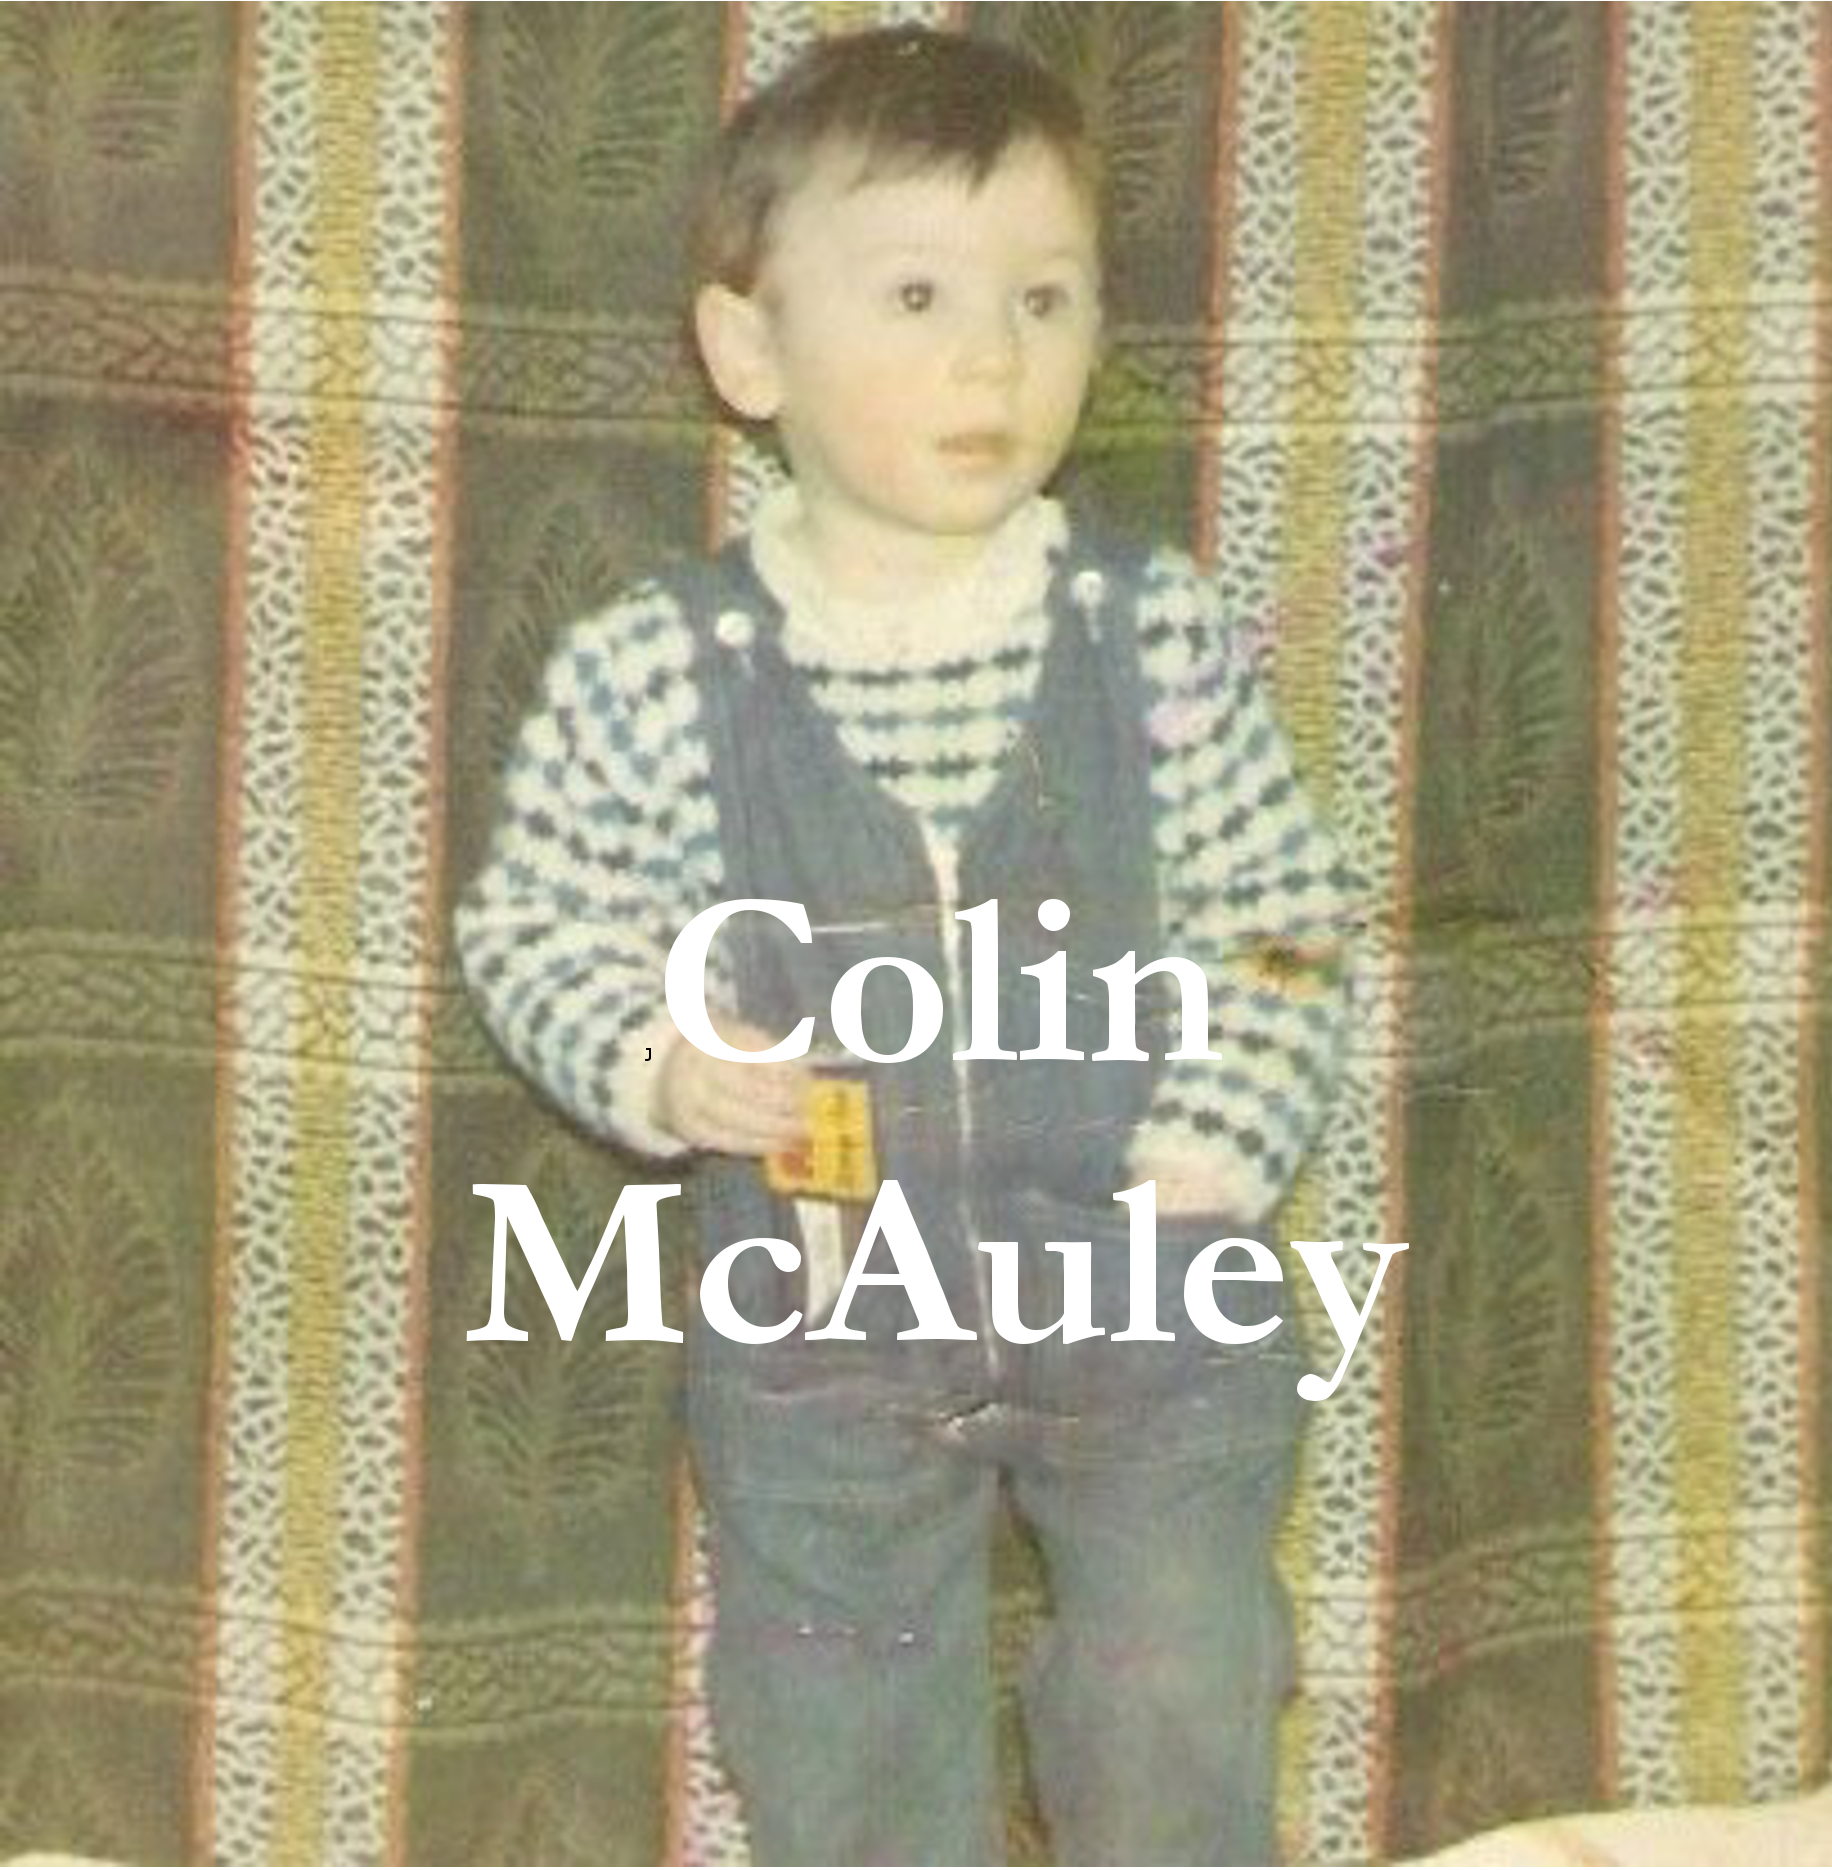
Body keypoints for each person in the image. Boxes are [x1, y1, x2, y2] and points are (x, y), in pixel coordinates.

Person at [457, 25, 1355, 1866]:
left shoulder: (1153, 635)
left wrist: (1218, 1145)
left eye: (1044, 297)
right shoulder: (656, 668)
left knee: (1178, 1675)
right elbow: (533, 922)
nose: (988, 357)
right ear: (749, 349)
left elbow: (1281, 921)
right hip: (825, 1317)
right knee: (839, 1693)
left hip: (1143, 1286)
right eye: (922, 295)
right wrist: (649, 1051)